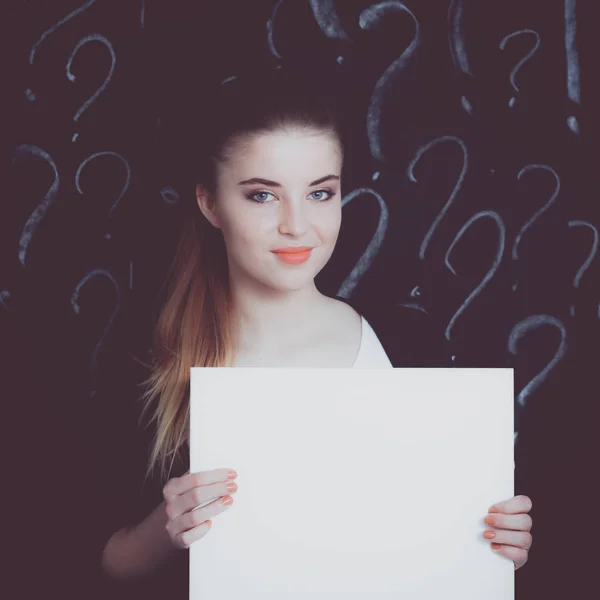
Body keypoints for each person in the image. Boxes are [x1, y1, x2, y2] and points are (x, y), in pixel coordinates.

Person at [95, 64, 533, 598]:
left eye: (320, 193)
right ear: (210, 203)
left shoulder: (407, 339)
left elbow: (447, 546)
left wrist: (498, 543)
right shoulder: (157, 365)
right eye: (262, 195)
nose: (297, 225)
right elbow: (112, 564)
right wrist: (168, 527)